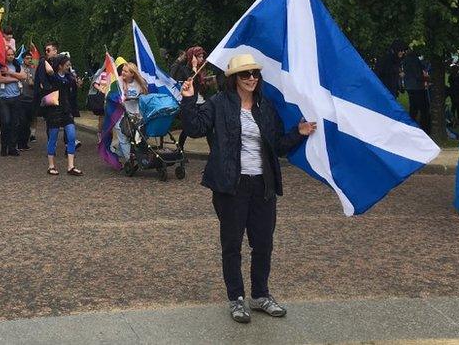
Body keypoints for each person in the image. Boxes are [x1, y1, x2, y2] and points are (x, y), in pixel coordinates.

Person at [180, 53, 315, 324]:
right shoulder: (219, 103)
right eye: (245, 74)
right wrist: (188, 98)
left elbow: (276, 145)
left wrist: (297, 134)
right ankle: (237, 298)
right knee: (232, 244)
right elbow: (194, 128)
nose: (252, 78)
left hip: (262, 184)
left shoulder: (266, 107)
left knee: (263, 242)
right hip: (231, 186)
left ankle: (260, 295)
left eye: (255, 73)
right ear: (233, 79)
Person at [39, 54, 82, 176]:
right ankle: (51, 165)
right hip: (54, 110)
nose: (69, 67)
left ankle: (71, 166)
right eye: (67, 65)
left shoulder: (69, 77)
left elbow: (74, 89)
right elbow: (46, 66)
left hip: (66, 109)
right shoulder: (52, 77)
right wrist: (47, 58)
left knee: (72, 136)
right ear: (60, 66)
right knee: (53, 138)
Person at [172, 46, 214, 152]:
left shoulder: (202, 70)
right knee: (187, 129)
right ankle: (180, 148)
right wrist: (194, 67)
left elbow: (202, 86)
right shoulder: (185, 70)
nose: (201, 59)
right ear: (192, 58)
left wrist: (208, 82)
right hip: (191, 103)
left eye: (202, 56)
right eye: (198, 56)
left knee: (209, 127)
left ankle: (213, 151)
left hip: (202, 102)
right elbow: (190, 80)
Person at [0, 47, 26, 156]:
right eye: (8, 55)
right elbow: (1, 79)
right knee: (5, 122)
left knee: (15, 123)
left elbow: (24, 76)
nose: (10, 57)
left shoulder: (17, 65)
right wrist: (16, 78)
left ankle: (12, 147)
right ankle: (4, 146)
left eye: (12, 54)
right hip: (4, 98)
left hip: (16, 97)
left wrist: (10, 73)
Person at [116, 62, 148, 162]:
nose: (123, 73)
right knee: (122, 134)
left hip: (136, 114)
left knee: (140, 137)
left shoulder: (139, 83)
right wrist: (122, 97)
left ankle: (119, 151)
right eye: (122, 71)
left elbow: (144, 96)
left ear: (132, 74)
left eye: (126, 71)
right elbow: (115, 97)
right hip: (122, 114)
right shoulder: (118, 82)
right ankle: (129, 160)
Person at [403, 49, 430, 131]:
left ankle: (412, 126)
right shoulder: (415, 60)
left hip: (410, 86)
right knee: (423, 108)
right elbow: (417, 75)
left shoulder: (406, 60)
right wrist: (426, 79)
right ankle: (425, 128)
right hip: (417, 87)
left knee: (413, 108)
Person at [16, 51, 37, 150]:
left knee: (28, 122)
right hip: (21, 98)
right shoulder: (19, 69)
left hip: (31, 98)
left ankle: (25, 143)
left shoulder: (33, 70)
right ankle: (19, 143)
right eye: (27, 58)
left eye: (30, 58)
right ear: (23, 59)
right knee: (22, 121)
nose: (29, 60)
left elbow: (36, 83)